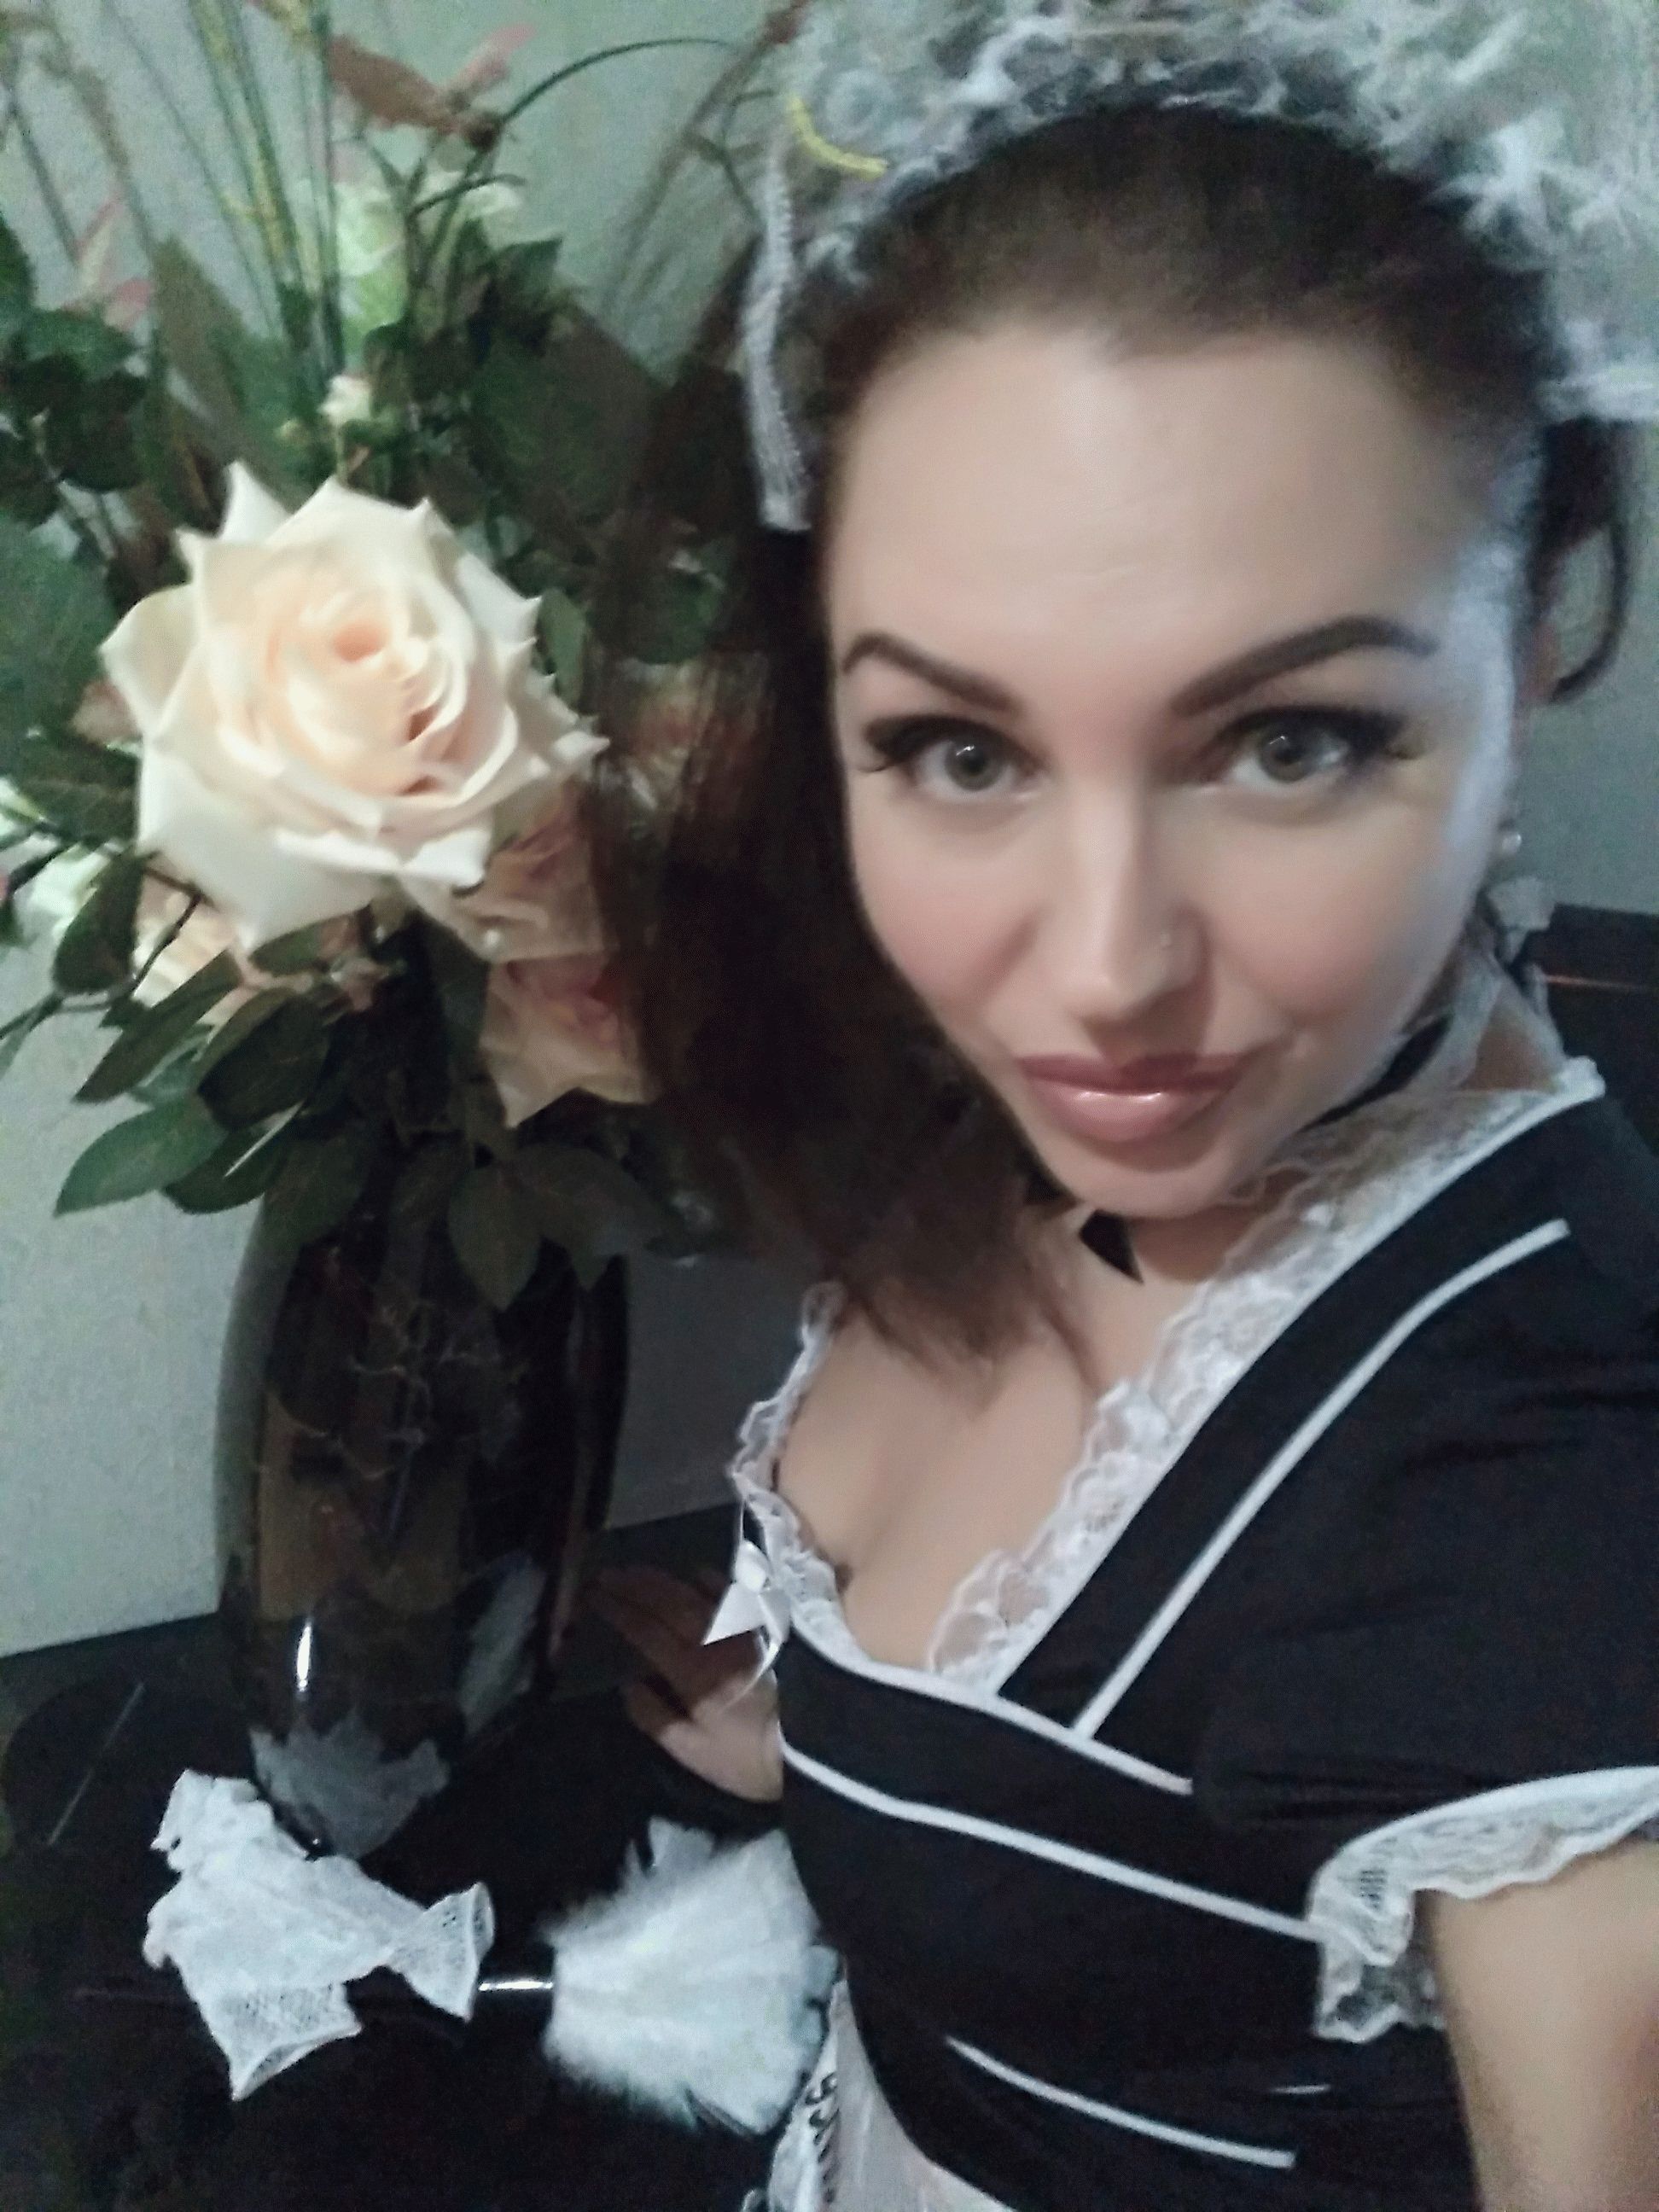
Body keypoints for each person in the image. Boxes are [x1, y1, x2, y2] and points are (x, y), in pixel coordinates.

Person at [585, 2, 1659, 2204]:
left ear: (1541, 628)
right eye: (961, 749)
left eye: (1291, 743)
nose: (1100, 969)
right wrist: (847, 1752)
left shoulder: (1534, 1504)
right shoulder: (1124, 1087)